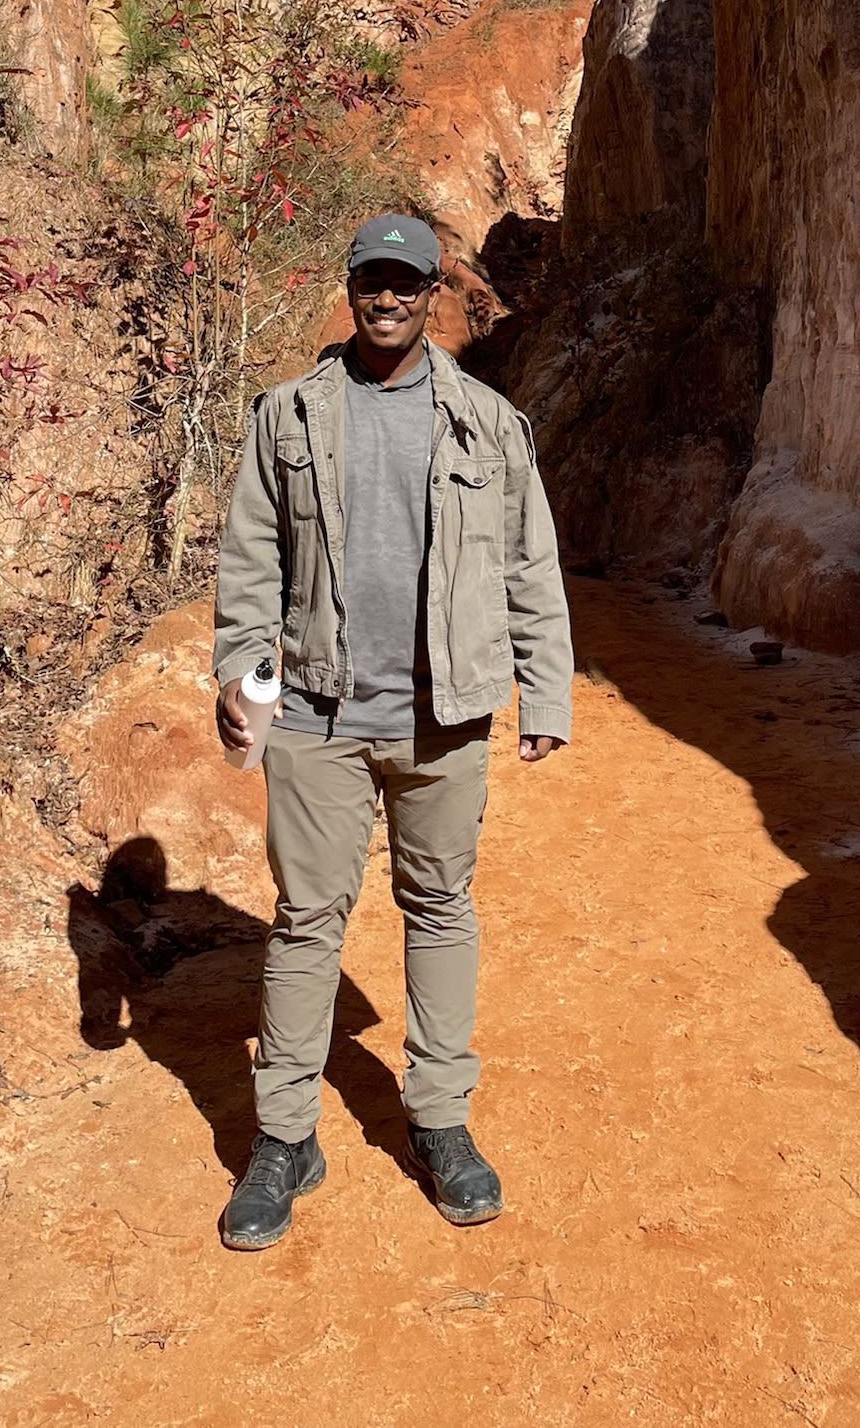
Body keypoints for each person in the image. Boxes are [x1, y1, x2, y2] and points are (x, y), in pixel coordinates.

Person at [212, 212, 573, 1250]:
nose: (387, 297)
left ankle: (439, 1121)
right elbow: (251, 568)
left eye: (405, 283)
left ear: (432, 295)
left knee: (439, 907)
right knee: (305, 919)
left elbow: (527, 568)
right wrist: (248, 685)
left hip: (442, 718)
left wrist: (543, 696)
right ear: (350, 286)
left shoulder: (488, 424)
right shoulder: (285, 418)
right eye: (371, 279)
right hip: (318, 716)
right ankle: (284, 1138)